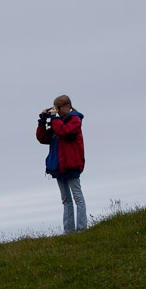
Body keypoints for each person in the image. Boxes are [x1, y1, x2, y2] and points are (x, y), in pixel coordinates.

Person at [36, 94, 87, 233]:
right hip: (59, 165)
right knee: (66, 200)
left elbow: (65, 132)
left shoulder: (75, 120)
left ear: (68, 106)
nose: (57, 111)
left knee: (77, 198)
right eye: (55, 108)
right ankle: (69, 231)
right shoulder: (57, 122)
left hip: (71, 164)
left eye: (58, 108)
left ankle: (82, 229)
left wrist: (54, 118)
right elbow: (43, 138)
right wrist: (42, 121)